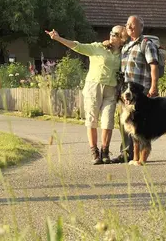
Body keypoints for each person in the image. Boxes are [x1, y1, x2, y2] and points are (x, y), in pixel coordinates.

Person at [46, 27, 126, 164]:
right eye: (112, 33)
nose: (112, 35)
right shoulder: (97, 47)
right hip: (94, 87)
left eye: (117, 34)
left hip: (111, 89)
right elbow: (77, 46)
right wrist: (58, 38)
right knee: (92, 119)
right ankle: (95, 152)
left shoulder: (123, 53)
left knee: (108, 121)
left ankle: (105, 152)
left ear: (122, 38)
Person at [112, 15, 159, 163]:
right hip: (127, 94)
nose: (129, 27)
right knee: (126, 122)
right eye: (127, 25)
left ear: (141, 27)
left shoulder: (146, 44)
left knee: (140, 125)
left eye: (133, 25)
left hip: (141, 93)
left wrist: (154, 85)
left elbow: (153, 65)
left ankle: (139, 154)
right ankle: (127, 154)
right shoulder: (126, 46)